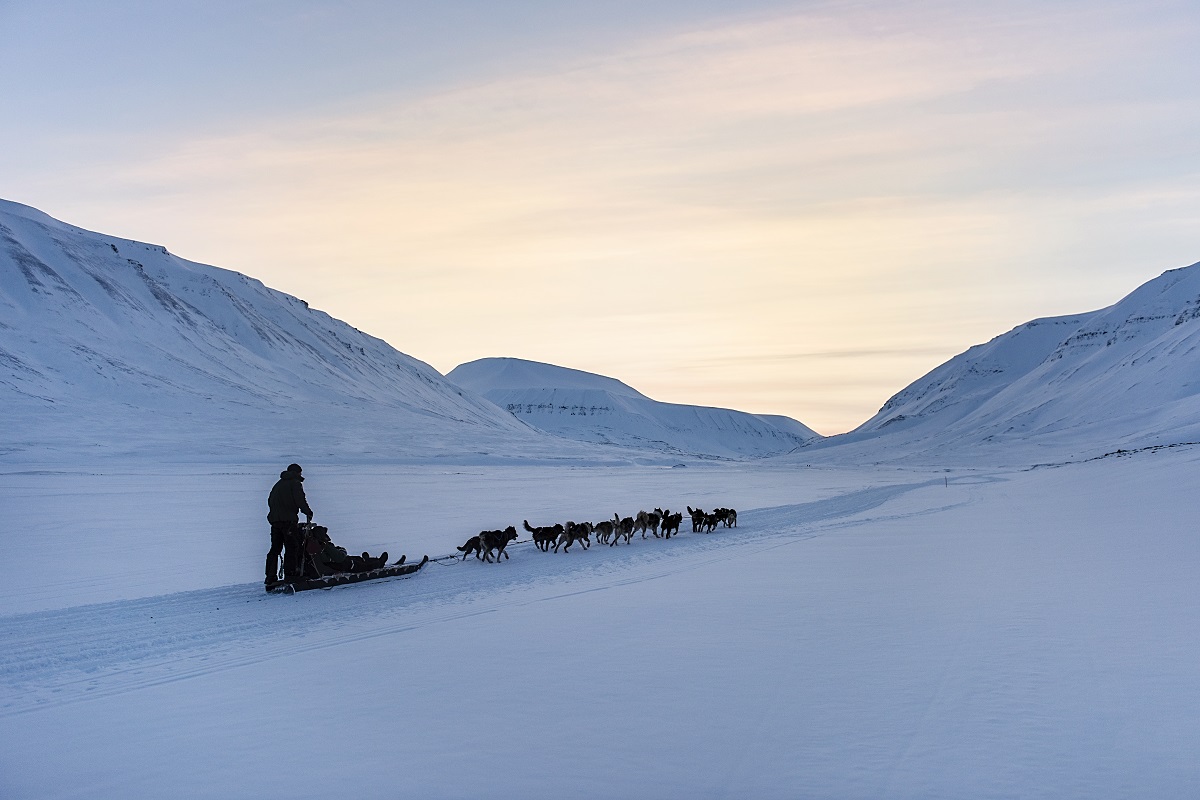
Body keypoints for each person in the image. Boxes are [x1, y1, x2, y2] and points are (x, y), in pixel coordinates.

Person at [266, 463, 314, 585]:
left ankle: (270, 576)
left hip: (275, 521)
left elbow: (270, 501)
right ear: (297, 473)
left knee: (275, 549)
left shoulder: (278, 484)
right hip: (288, 521)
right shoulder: (295, 484)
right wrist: (307, 512)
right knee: (292, 547)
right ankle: (291, 574)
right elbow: (300, 500)